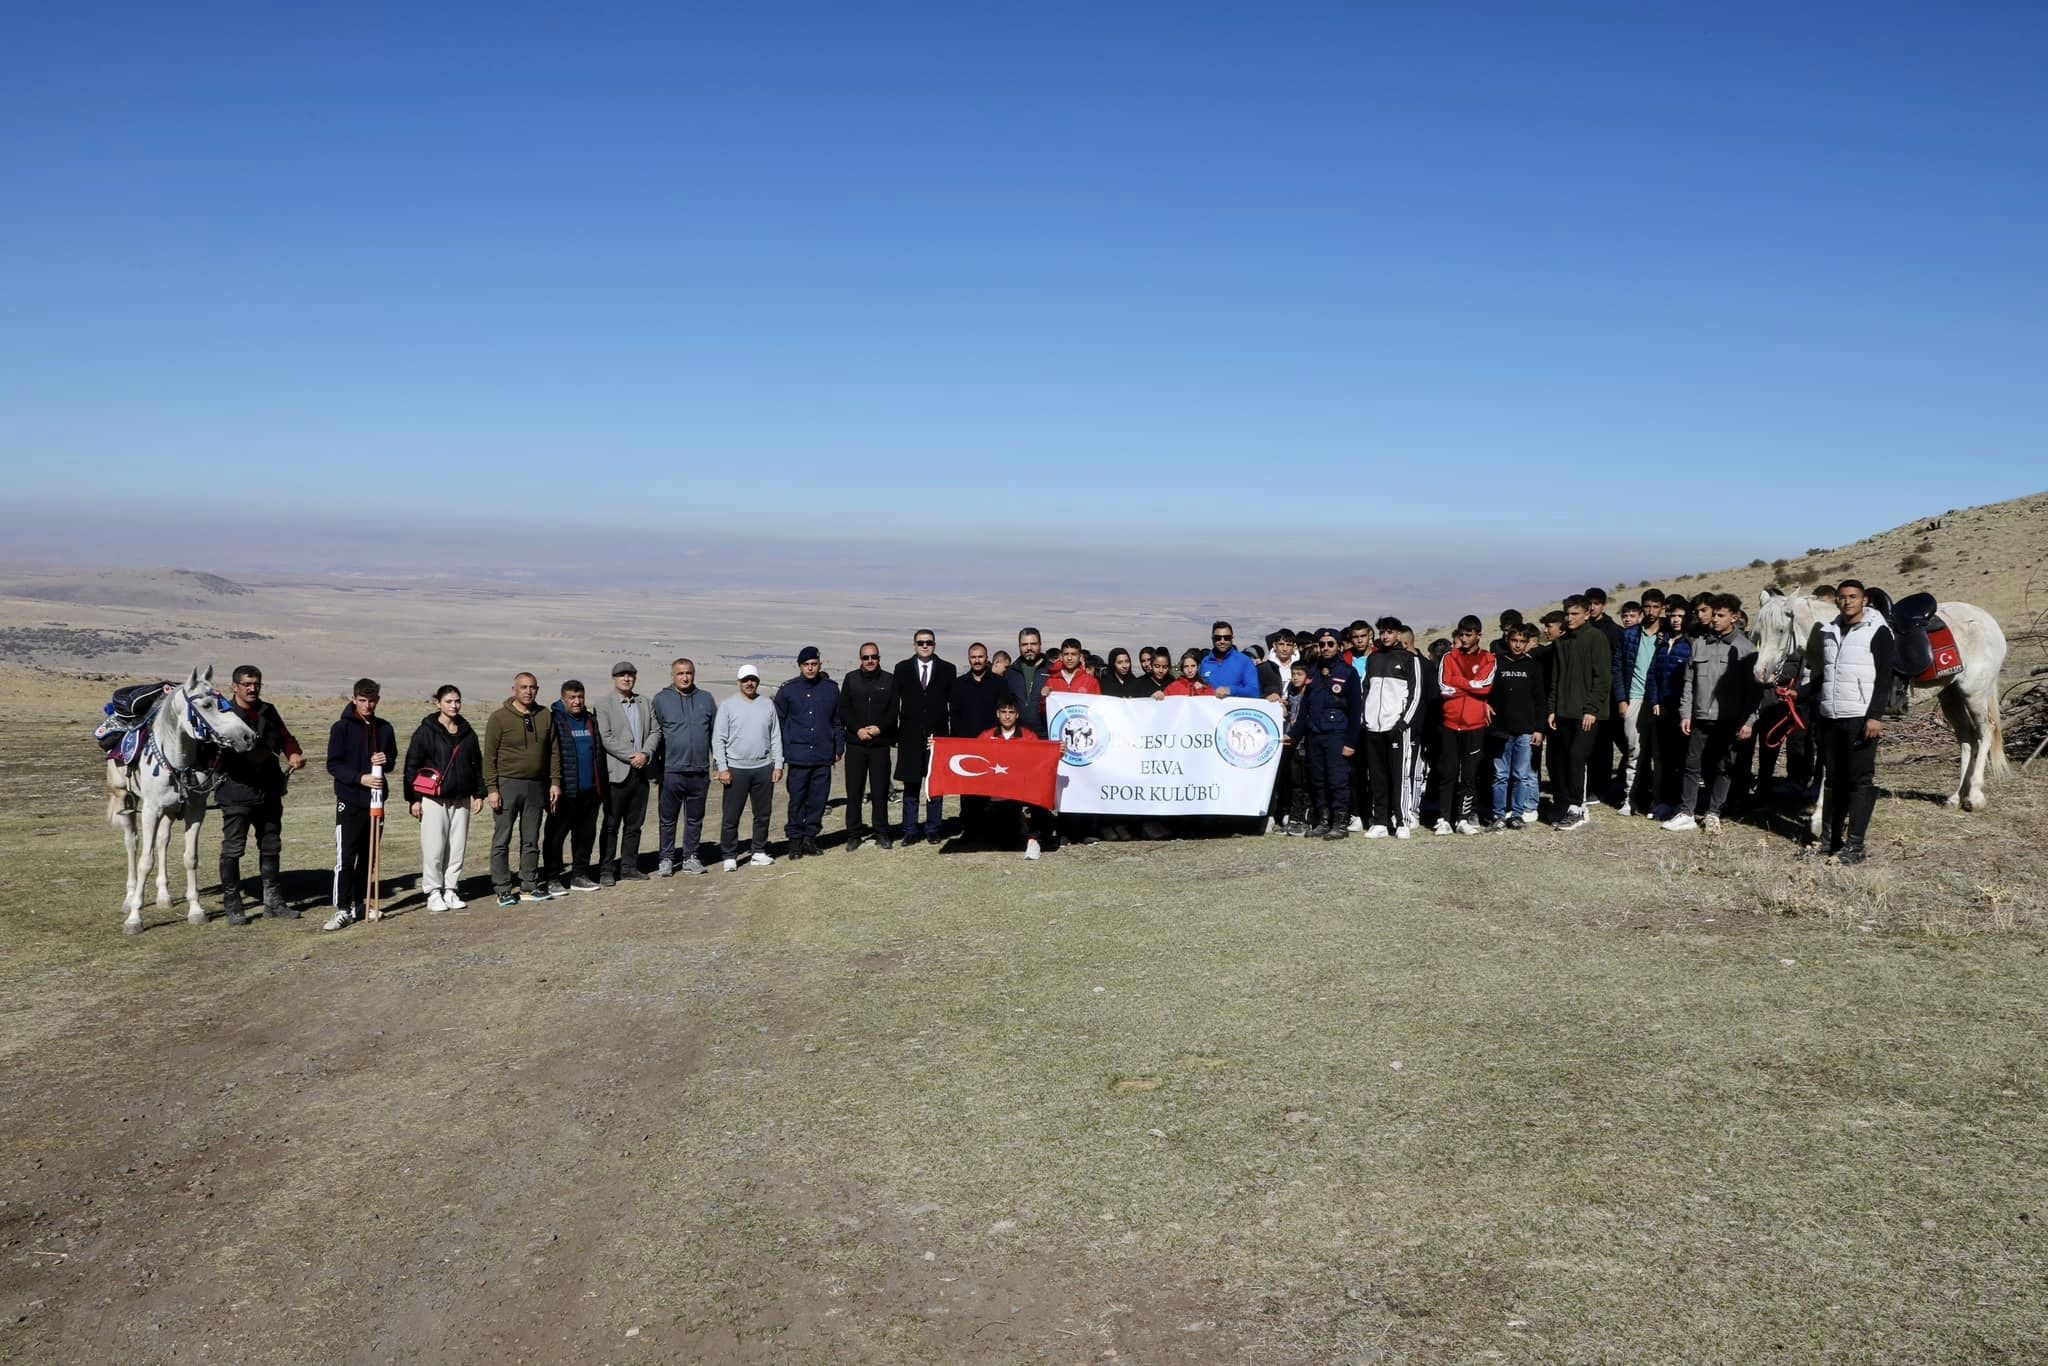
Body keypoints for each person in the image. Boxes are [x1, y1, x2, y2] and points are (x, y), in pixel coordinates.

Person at [1807, 580, 1895, 864]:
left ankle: (1855, 845)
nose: (1847, 602)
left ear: (1864, 600)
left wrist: (1875, 716)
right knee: (1833, 780)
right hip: (1830, 716)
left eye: (1853, 597)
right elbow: (1827, 674)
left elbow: (1885, 677)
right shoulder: (1829, 631)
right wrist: (1801, 693)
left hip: (1859, 716)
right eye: (1842, 597)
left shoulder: (1878, 631)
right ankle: (1829, 840)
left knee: (1859, 780)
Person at [214, 664, 305, 925]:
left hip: (269, 789)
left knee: (271, 845)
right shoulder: (222, 714)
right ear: (234, 686)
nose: (252, 688)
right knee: (234, 849)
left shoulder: (268, 710)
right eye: (247, 684)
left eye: (256, 684)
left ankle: (273, 902)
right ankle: (233, 904)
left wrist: (293, 753)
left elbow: (285, 737)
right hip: (236, 791)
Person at [1664, 594, 1761, 835]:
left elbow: (1753, 693)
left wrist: (1748, 721)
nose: (1715, 619)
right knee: (1691, 765)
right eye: (1713, 614)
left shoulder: (1746, 649)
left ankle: (1713, 813)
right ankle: (1687, 812)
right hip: (1700, 718)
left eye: (1720, 615)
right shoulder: (1699, 644)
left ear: (1734, 617)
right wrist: (1685, 714)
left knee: (1723, 767)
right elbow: (1689, 683)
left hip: (1729, 720)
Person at [483, 672, 563, 906]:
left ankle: (529, 884)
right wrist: (492, 788)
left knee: (531, 838)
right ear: (514, 690)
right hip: (507, 784)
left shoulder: (545, 715)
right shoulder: (499, 718)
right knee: (502, 837)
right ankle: (503, 888)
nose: (528, 691)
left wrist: (555, 782)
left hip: (536, 786)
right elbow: (489, 756)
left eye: (532, 687)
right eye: (523, 687)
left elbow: (554, 751)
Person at [326, 678, 398, 931]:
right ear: (354, 699)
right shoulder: (341, 728)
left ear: (378, 700)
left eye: (372, 700)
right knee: (346, 857)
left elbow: (391, 762)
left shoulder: (385, 728)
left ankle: (360, 902)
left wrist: (385, 760)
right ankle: (342, 909)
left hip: (375, 802)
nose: (367, 705)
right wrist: (360, 778)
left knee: (369, 857)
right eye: (362, 700)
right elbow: (333, 765)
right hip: (349, 800)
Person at [404, 684, 484, 911]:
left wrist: (479, 793)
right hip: (433, 798)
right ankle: (433, 892)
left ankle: (451, 889)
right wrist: (414, 799)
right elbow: (412, 765)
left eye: (457, 701)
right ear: (438, 703)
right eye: (449, 701)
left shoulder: (467, 732)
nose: (454, 705)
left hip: (461, 798)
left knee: (457, 847)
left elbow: (477, 763)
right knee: (434, 847)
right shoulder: (425, 731)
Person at [1546, 597, 1613, 831]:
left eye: (1575, 613)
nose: (1570, 618)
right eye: (1567, 613)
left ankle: (1578, 808)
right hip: (1564, 712)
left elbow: (1603, 678)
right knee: (1565, 758)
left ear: (1587, 614)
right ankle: (1568, 804)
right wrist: (1552, 709)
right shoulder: (1562, 641)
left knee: (1577, 756)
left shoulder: (1596, 638)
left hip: (1587, 714)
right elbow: (1556, 679)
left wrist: (1592, 709)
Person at [1290, 630, 1361, 838]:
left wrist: (1350, 742)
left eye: (1331, 643)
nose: (1326, 647)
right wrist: (1293, 735)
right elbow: (1304, 709)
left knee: (1337, 780)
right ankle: (1323, 820)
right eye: (1322, 644)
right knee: (1318, 780)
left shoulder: (1348, 672)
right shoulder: (1312, 672)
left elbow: (1355, 710)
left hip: (1337, 735)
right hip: (1314, 735)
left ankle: (1340, 823)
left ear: (1339, 646)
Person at [713, 665, 784, 871]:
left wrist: (778, 764)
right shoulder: (727, 706)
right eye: (745, 680)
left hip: (763, 767)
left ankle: (759, 851)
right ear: (739, 682)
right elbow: (718, 739)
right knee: (731, 815)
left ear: (758, 682)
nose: (749, 683)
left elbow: (775, 736)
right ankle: (729, 855)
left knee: (763, 814)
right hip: (736, 768)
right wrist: (722, 767)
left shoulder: (767, 705)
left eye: (753, 679)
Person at [1358, 617, 1424, 838]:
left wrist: (1403, 723)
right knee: (1377, 776)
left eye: (1389, 632)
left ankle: (1403, 821)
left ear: (1398, 634)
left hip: (1397, 727)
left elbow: (1416, 694)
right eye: (1382, 632)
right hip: (1373, 728)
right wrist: (1365, 718)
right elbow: (1366, 689)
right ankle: (1380, 822)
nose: (1385, 636)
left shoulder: (1409, 659)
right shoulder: (1373, 658)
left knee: (1399, 776)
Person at [593, 661, 658, 885]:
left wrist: (645, 754)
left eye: (630, 675)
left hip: (641, 774)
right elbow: (606, 737)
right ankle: (606, 869)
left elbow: (655, 731)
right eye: (622, 675)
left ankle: (629, 867)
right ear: (614, 678)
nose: (626, 679)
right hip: (617, 775)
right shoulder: (603, 704)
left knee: (634, 825)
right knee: (611, 825)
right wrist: (633, 756)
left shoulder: (645, 702)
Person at [653, 658, 717, 876]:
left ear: (694, 674)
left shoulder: (706, 699)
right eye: (680, 673)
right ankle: (666, 859)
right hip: (671, 771)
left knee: (694, 818)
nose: (685, 677)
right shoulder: (661, 700)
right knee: (668, 819)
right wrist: (656, 769)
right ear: (673, 676)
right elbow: (655, 735)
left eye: (688, 673)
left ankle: (691, 856)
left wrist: (717, 764)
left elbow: (715, 735)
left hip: (699, 771)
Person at [774, 646, 840, 860]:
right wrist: (783, 749)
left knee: (818, 800)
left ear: (820, 665)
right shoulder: (788, 690)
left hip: (823, 755)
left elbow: (837, 721)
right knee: (797, 800)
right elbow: (778, 722)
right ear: (799, 666)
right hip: (798, 756)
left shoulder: (831, 689)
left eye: (814, 664)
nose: (810, 668)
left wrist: (838, 747)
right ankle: (794, 842)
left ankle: (810, 839)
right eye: (806, 665)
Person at [892, 630, 956, 845]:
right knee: (911, 786)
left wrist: (949, 738)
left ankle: (933, 828)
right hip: (909, 737)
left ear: (934, 644)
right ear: (914, 645)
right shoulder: (902, 669)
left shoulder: (947, 669)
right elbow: (894, 703)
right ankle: (910, 830)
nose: (925, 646)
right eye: (921, 643)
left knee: (934, 785)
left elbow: (953, 704)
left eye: (929, 642)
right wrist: (895, 733)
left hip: (937, 739)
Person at [543, 680, 606, 895]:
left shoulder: (590, 720)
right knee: (556, 836)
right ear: (563, 699)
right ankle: (552, 878)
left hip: (590, 790)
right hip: (565, 791)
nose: (577, 701)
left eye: (580, 697)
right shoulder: (555, 721)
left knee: (585, 836)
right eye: (572, 697)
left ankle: (580, 875)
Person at [1434, 616, 1496, 834]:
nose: (1464, 638)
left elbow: (1485, 687)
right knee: (1448, 773)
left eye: (1469, 635)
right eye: (1461, 634)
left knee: (1469, 775)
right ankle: (1444, 818)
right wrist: (1471, 685)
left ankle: (1463, 818)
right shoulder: (1449, 657)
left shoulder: (1488, 658)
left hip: (1475, 725)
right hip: (1451, 724)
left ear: (1479, 635)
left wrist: (1459, 682)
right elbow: (1444, 688)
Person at [838, 642, 900, 851]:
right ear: (860, 659)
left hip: (880, 745)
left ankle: (881, 832)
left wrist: (879, 728)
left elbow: (893, 710)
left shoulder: (889, 680)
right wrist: (858, 729)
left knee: (880, 791)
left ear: (879, 658)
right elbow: (844, 709)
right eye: (866, 657)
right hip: (856, 744)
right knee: (854, 792)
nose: (870, 660)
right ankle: (854, 834)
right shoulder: (851, 679)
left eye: (873, 657)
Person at [947, 643, 1009, 847]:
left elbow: (1004, 712)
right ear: (969, 659)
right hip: (967, 746)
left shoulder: (999, 683)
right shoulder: (959, 684)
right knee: (968, 792)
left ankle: (991, 830)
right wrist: (965, 742)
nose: (977, 660)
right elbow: (955, 715)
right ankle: (969, 831)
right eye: (973, 657)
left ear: (987, 658)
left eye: (980, 657)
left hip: (993, 745)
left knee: (992, 790)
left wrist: (996, 737)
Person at [1486, 626, 1544, 829]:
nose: (1518, 645)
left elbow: (1540, 699)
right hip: (1501, 730)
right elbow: (1485, 690)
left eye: (1522, 641)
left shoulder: (1533, 666)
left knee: (1521, 775)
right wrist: (1485, 704)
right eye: (1514, 640)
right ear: (1507, 641)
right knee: (1500, 776)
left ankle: (1517, 814)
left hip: (1525, 730)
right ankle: (1498, 814)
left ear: (1527, 643)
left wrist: (1539, 729)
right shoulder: (1496, 663)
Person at [980, 695, 1052, 859]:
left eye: (1011, 712)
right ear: (997, 714)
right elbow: (969, 753)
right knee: (1007, 843)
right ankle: (1019, 823)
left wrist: (1058, 753)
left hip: (1022, 790)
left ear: (1017, 714)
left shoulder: (1028, 736)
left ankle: (1034, 839)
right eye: (1003, 712)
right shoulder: (986, 735)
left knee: (1040, 803)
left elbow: (1043, 759)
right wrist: (938, 747)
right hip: (999, 794)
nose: (1007, 716)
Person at [1643, 597, 1694, 819]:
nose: (1675, 620)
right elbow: (1653, 673)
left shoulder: (1691, 644)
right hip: (1661, 710)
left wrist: (1682, 709)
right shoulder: (1663, 642)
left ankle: (1680, 804)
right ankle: (1663, 801)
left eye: (1680, 616)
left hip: (1681, 712)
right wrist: (1655, 701)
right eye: (1673, 615)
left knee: (1681, 760)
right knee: (1664, 758)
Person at [1612, 597, 1663, 815]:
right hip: (1634, 697)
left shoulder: (1667, 635)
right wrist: (1621, 700)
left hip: (1659, 701)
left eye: (1655, 607)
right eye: (1647, 606)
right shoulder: (1629, 635)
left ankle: (1657, 801)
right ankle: (1630, 799)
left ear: (1662, 609)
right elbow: (1617, 667)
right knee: (1634, 751)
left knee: (1659, 755)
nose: (1651, 611)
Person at [1582, 587, 1626, 804]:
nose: (1592, 607)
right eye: (1589, 603)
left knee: (1606, 744)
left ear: (1603, 605)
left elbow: (1618, 665)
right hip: (1585, 695)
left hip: (1609, 697)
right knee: (1591, 744)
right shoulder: (1581, 629)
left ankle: (1604, 787)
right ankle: (1591, 787)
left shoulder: (1614, 631)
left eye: (1596, 603)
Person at [1274, 656, 1313, 833]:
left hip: (1306, 743)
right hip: (1292, 744)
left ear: (1307, 677)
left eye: (1299, 674)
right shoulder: (1292, 692)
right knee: (1294, 783)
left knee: (1306, 783)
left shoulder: (1311, 694)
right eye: (1293, 674)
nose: (1295, 677)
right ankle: (1295, 817)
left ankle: (1306, 818)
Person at [1197, 621, 1260, 698]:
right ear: (1212, 638)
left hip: (1235, 705)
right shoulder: (1205, 662)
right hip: (1210, 705)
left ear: (1232, 638)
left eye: (1226, 638)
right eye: (1218, 638)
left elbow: (1254, 692)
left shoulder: (1244, 661)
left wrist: (1231, 690)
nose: (1222, 641)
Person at [1006, 628, 1051, 731]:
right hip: (1018, 733)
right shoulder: (1011, 673)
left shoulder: (1052, 671)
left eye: (1033, 644)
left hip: (1045, 733)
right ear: (1019, 646)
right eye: (1024, 644)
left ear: (1040, 645)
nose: (1029, 648)